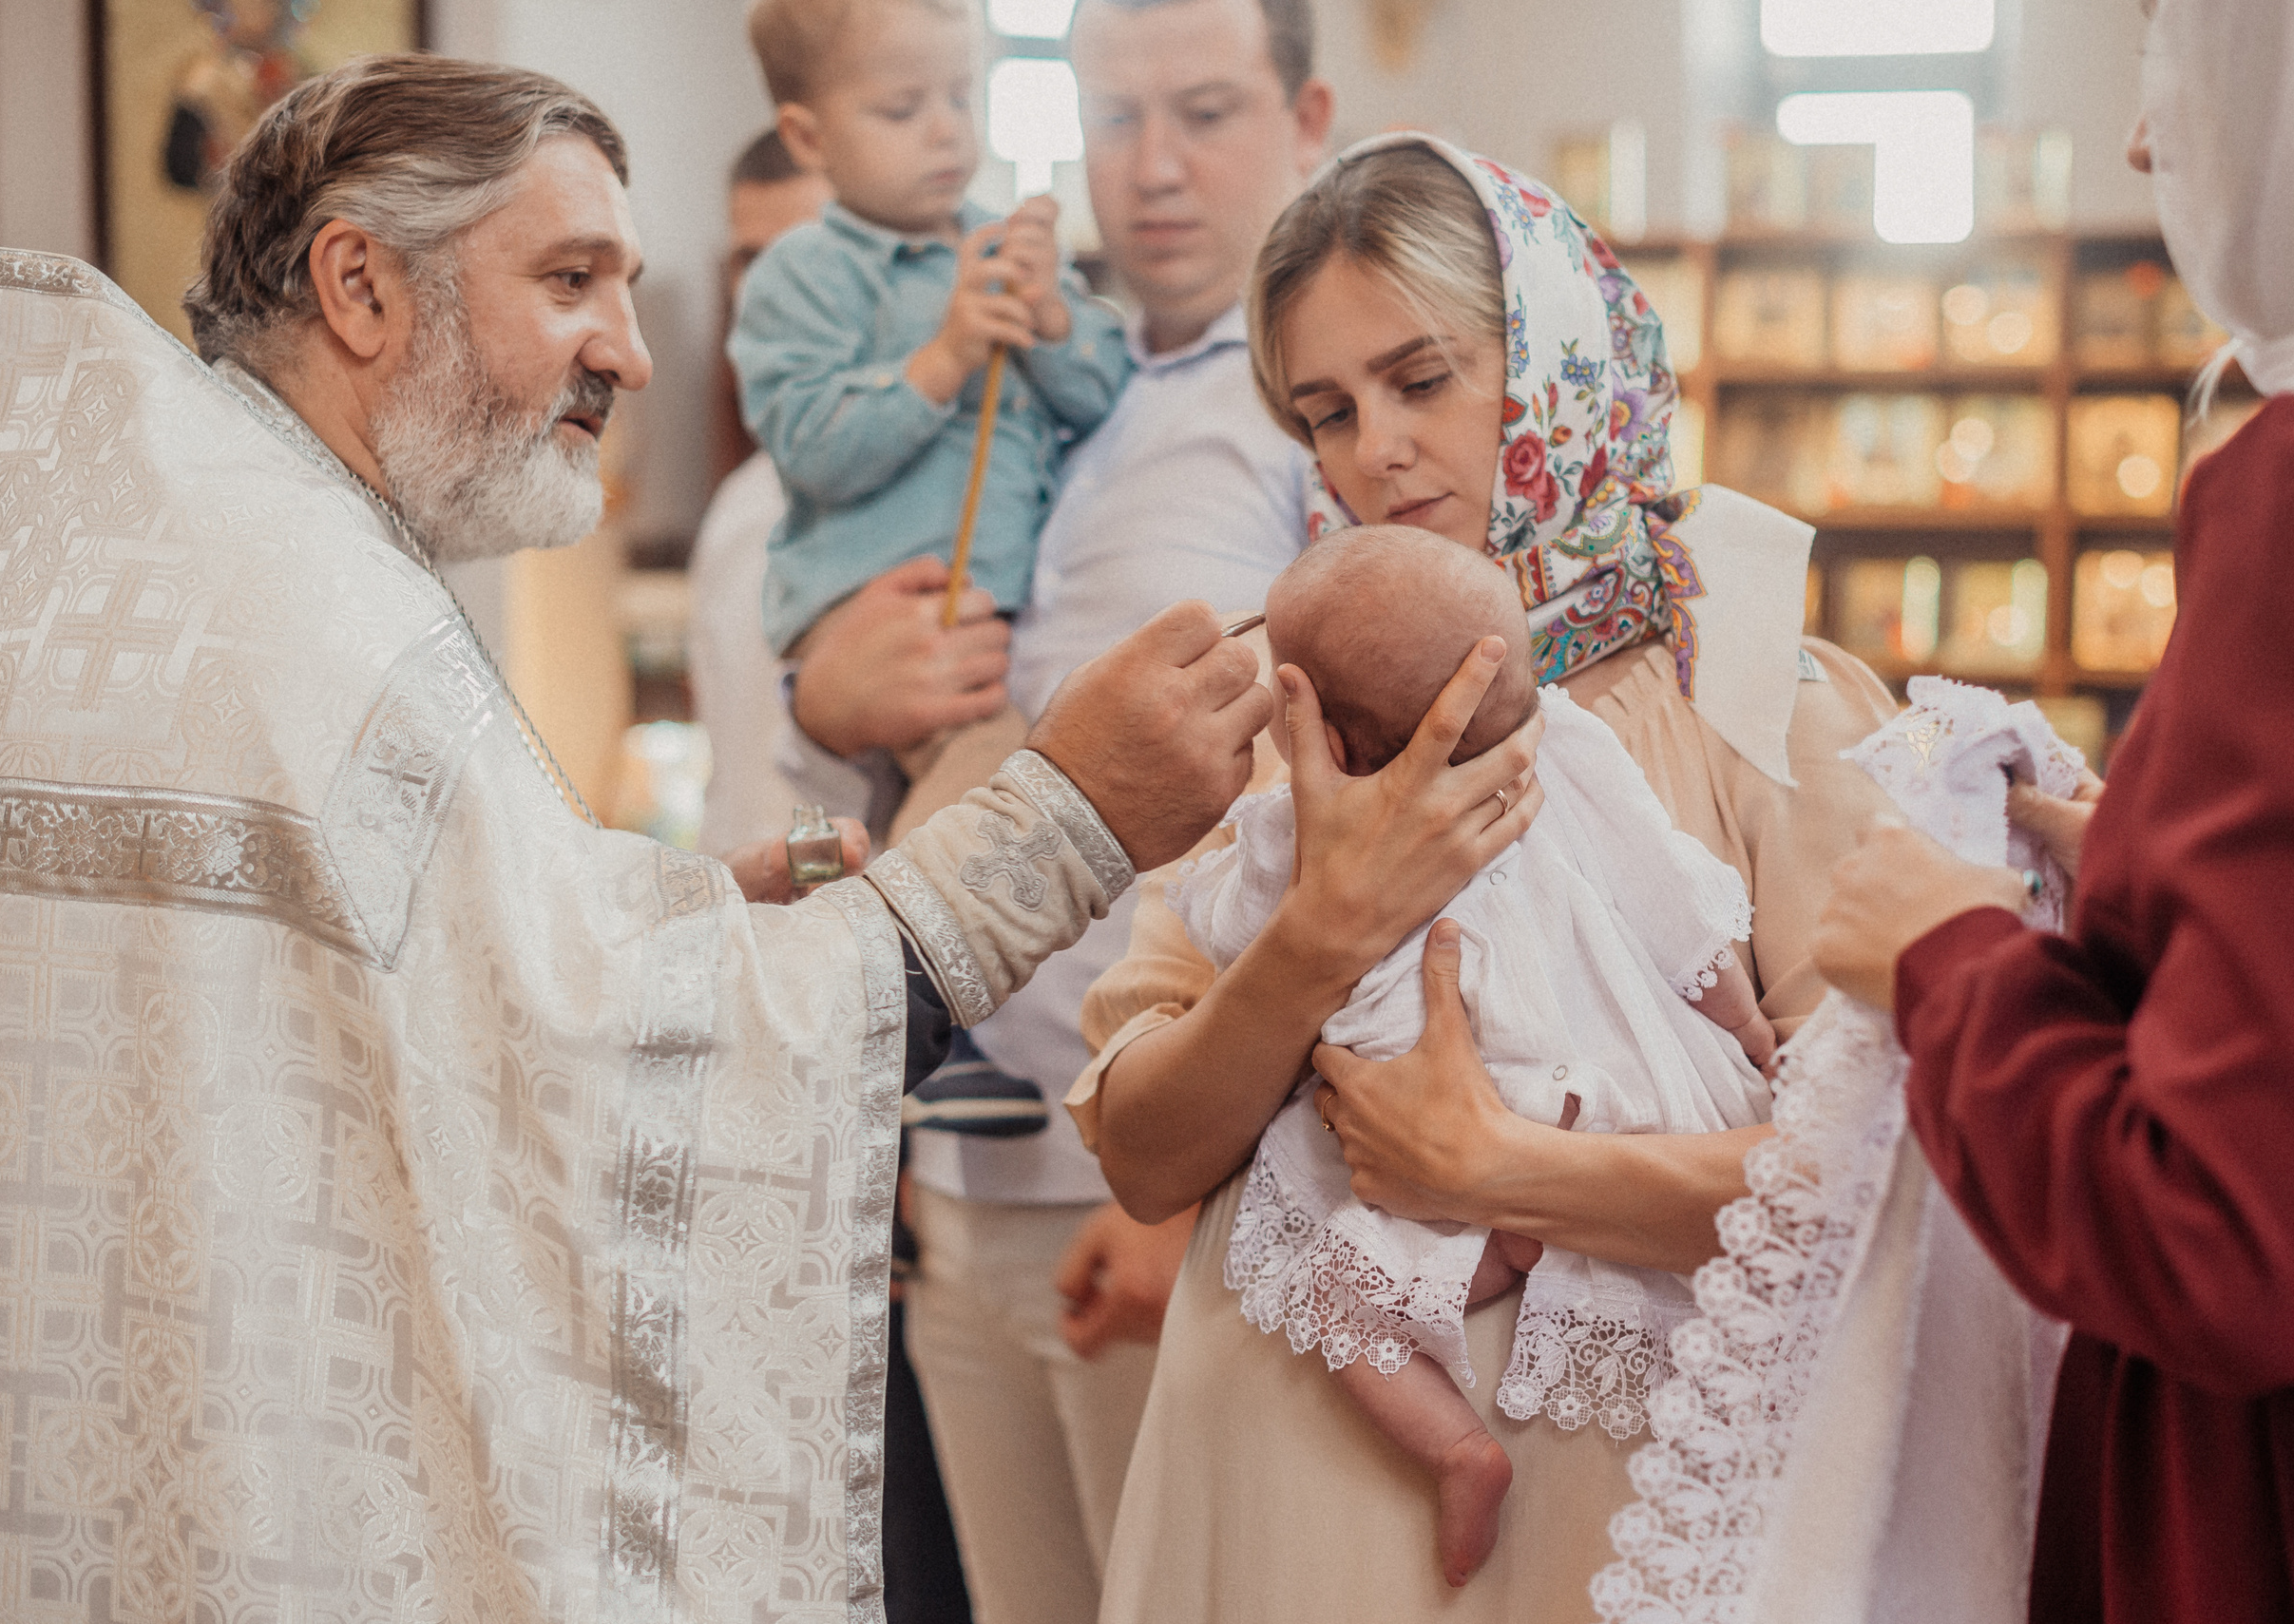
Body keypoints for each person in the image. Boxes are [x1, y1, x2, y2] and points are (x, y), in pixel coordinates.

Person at [0, 55, 1269, 1621]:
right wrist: (1069, 814)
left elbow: (419, 979)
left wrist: (666, 904)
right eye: (570, 278)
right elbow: (622, 1061)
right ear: (359, 285)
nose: (633, 350)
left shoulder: (209, 536)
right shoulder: (315, 613)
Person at [1061, 133, 1901, 1621]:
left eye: (1422, 378)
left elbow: (1877, 1187)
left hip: (1614, 1517)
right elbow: (1143, 1147)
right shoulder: (1295, 726)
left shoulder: (1760, 696)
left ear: (1559, 363)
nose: (1372, 449)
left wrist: (1498, 1171)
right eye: (1325, 410)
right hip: (1276, 1502)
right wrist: (1318, 938)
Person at [1807, 2, 2294, 1619]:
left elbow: (2223, 1240)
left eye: (2177, 60)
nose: (2148, 139)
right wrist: (2148, 879)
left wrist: (1950, 961)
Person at [773, 4, 1331, 1619]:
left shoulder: (1313, 401)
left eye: (1206, 112)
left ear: (1308, 116)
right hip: (961, 1155)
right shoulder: (1027, 374)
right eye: (1111, 117)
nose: (1151, 169)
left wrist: (1196, 1176)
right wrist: (830, 705)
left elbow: (1338, 807)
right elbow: (893, 752)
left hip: (1154, 1183)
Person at [1179, 524, 1777, 1586]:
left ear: (1324, 732)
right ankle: (1526, 1248)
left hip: (1417, 1112)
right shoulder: (1574, 745)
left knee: (1328, 1276)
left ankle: (1456, 1446)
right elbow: (1669, 891)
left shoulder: (1301, 825)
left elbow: (1231, 936)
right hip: (1608, 1091)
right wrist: (1737, 1020)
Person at [733, 0, 1129, 719]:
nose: (946, 129)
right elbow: (812, 448)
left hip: (1005, 619)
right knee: (1004, 789)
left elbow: (1106, 397)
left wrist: (1052, 318)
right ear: (808, 136)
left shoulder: (1010, 246)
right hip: (878, 622)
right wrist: (942, 360)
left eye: (958, 95)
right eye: (901, 109)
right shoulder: (796, 277)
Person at [692, 129, 835, 857]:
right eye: (752, 258)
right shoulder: (739, 505)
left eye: (807, 251)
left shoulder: (957, 489)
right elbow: (733, 779)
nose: (772, 289)